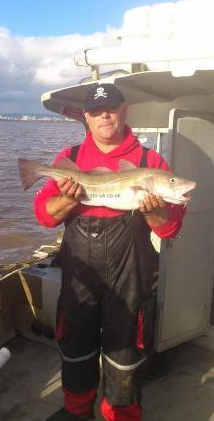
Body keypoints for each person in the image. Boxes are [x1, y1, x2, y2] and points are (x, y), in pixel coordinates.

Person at [34, 84, 185, 421]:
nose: (105, 115)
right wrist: (70, 198)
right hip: (80, 275)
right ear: (86, 117)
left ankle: (122, 415)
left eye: (112, 108)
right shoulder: (69, 159)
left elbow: (169, 230)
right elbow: (44, 216)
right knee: (76, 346)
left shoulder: (150, 162)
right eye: (97, 110)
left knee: (126, 352)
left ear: (124, 110)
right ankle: (76, 412)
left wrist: (152, 210)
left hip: (130, 275)